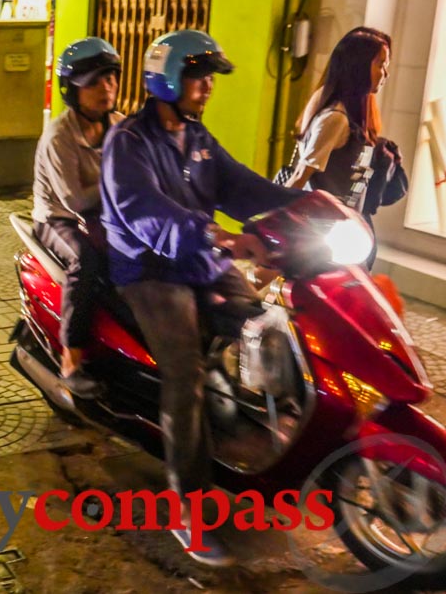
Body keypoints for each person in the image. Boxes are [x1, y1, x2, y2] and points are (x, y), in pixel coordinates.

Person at [100, 30, 304, 566]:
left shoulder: (197, 137)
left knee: (271, 324)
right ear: (166, 79)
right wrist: (220, 236)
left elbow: (242, 187)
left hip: (199, 259)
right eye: (198, 75)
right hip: (150, 269)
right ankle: (187, 505)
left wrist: (305, 203)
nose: (208, 86)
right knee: (185, 373)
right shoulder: (129, 142)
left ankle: (264, 432)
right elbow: (145, 211)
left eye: (210, 76)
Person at [31, 37, 124, 398]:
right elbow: (74, 199)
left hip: (105, 216)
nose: (107, 88)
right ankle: (71, 360)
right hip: (58, 219)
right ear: (72, 89)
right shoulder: (59, 135)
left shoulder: (119, 125)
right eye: (96, 81)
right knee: (85, 261)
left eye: (111, 78)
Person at [284, 27, 403, 266]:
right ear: (358, 67)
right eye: (380, 64)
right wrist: (272, 220)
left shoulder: (353, 116)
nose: (385, 73)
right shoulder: (336, 119)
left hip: (345, 233)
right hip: (323, 238)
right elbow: (299, 176)